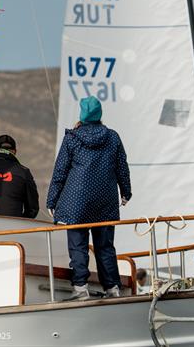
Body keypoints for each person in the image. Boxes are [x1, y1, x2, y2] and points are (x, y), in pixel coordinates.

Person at [46, 96, 132, 301]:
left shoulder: (72, 138)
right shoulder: (113, 137)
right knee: (105, 247)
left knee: (78, 247)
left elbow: (60, 172)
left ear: (82, 114)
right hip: (105, 201)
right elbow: (122, 167)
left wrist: (52, 200)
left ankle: (80, 288)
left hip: (76, 202)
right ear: (99, 114)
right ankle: (112, 288)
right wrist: (126, 192)